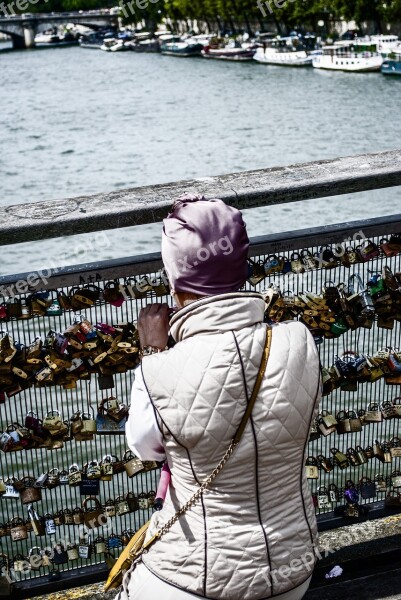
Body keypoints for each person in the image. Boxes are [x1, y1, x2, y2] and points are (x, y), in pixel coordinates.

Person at [116, 193, 321, 600]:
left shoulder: (159, 367)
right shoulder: (300, 341)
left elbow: (144, 447)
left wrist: (152, 356)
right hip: (292, 570)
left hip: (196, 580)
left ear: (174, 280)